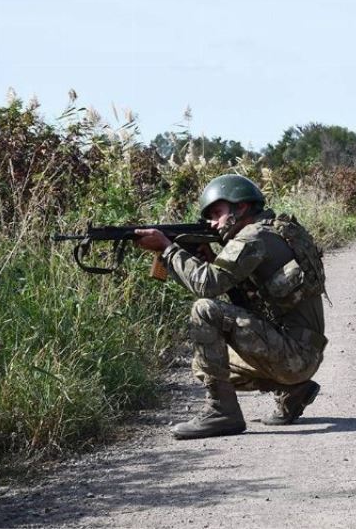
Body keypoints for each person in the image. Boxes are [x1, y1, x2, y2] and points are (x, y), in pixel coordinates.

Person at [134, 173, 327, 440]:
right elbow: (252, 300)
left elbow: (208, 286)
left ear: (241, 207)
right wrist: (211, 258)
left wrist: (167, 250)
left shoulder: (252, 237)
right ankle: (294, 391)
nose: (212, 224)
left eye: (216, 213)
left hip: (294, 356)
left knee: (204, 309)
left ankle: (222, 413)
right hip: (300, 353)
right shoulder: (273, 230)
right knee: (203, 365)